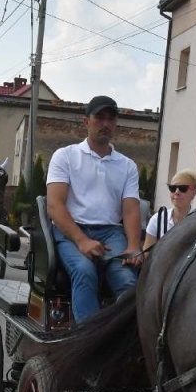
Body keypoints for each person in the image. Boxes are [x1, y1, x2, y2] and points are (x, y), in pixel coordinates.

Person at [45, 95, 142, 322]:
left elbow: (130, 210)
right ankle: (87, 342)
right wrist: (82, 240)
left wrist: (134, 246)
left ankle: (127, 341)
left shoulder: (127, 165)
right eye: (99, 118)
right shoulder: (65, 156)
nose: (105, 124)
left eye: (111, 119)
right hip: (71, 232)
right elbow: (54, 205)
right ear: (86, 122)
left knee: (128, 280)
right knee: (84, 271)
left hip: (110, 232)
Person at [143, 168, 196, 251]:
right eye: (172, 188)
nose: (176, 192)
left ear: (194, 192)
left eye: (183, 188)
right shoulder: (158, 219)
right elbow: (147, 254)